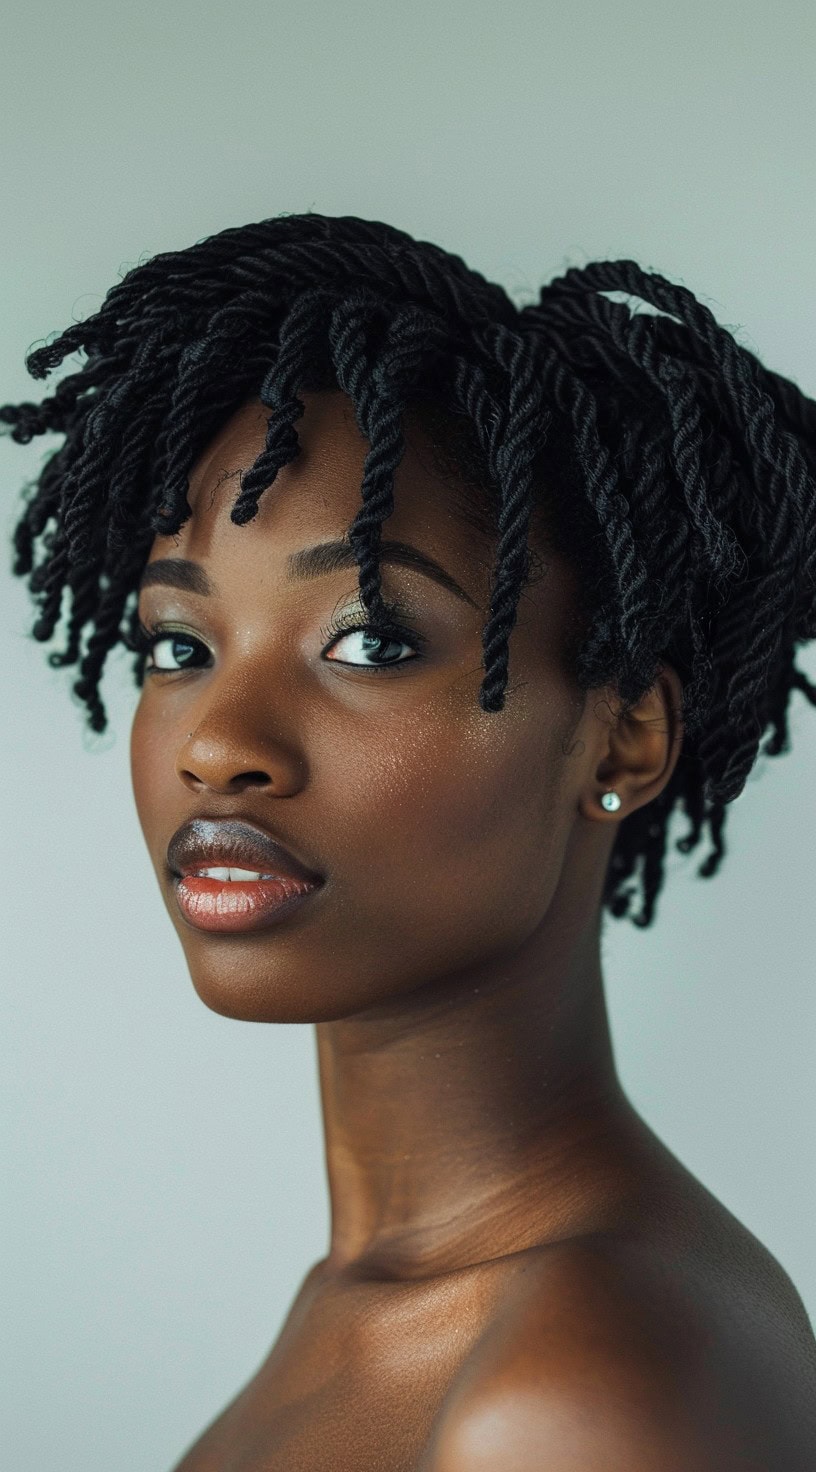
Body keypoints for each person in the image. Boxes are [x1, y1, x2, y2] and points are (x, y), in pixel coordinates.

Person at [4, 212, 816, 1470]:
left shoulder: (583, 1385)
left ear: (622, 737)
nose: (217, 742)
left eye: (372, 640)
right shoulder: (379, 1296)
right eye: (180, 643)